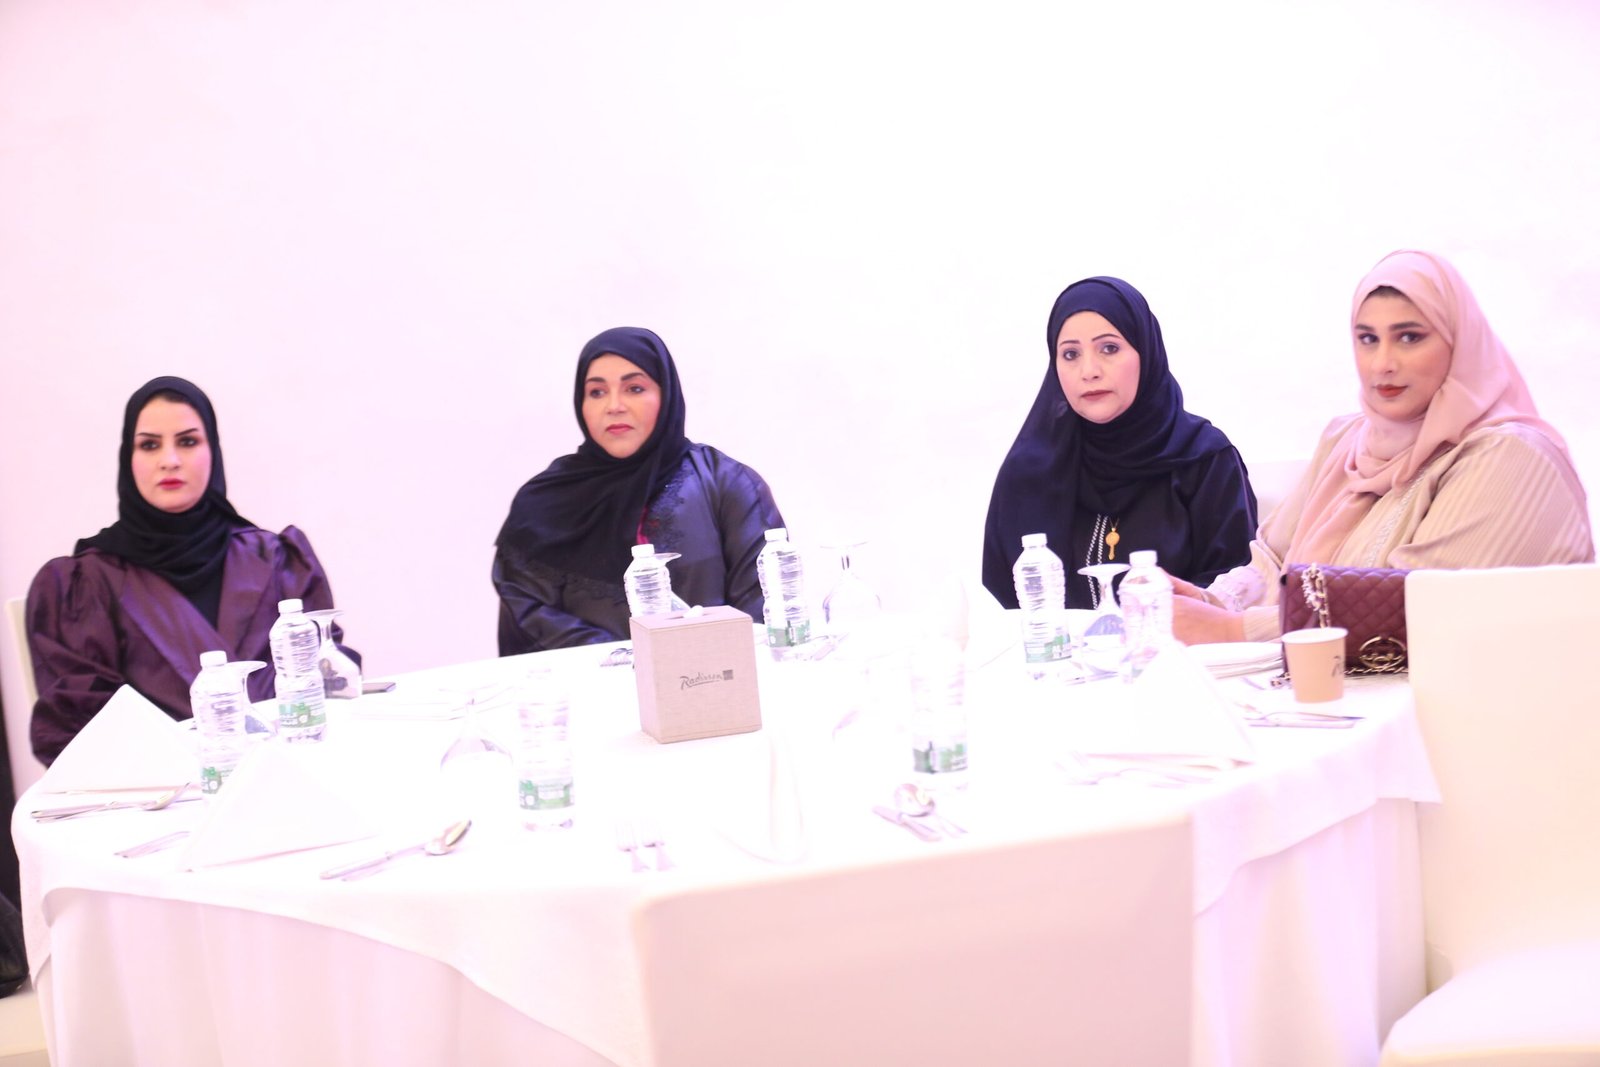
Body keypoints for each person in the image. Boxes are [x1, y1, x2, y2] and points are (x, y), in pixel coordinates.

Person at [1174, 250, 1595, 643]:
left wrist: (1234, 629)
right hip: (1331, 684)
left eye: (1409, 337)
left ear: (1459, 340)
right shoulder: (1346, 440)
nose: (1382, 364)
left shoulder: (1509, 457)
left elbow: (1418, 606)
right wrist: (1212, 602)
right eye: (1368, 339)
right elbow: (1272, 557)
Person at [25, 376, 352, 765]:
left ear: (213, 450)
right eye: (150, 445)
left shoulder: (279, 559)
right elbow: (81, 730)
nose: (169, 460)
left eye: (188, 441)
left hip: (293, 776)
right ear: (128, 459)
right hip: (159, 790)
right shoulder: (84, 585)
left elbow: (329, 687)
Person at [494, 326, 785, 654]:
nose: (614, 406)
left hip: (712, 678)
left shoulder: (726, 484)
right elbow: (530, 616)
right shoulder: (543, 504)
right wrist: (629, 664)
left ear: (666, 394)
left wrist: (686, 669)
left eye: (634, 388)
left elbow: (763, 612)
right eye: (597, 392)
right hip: (586, 682)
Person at [982, 276, 1258, 610]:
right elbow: (1004, 603)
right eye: (1070, 354)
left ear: (1146, 352)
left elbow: (1238, 588)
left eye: (1109, 348)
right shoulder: (1029, 472)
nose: (1089, 371)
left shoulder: (1204, 458)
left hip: (1179, 642)